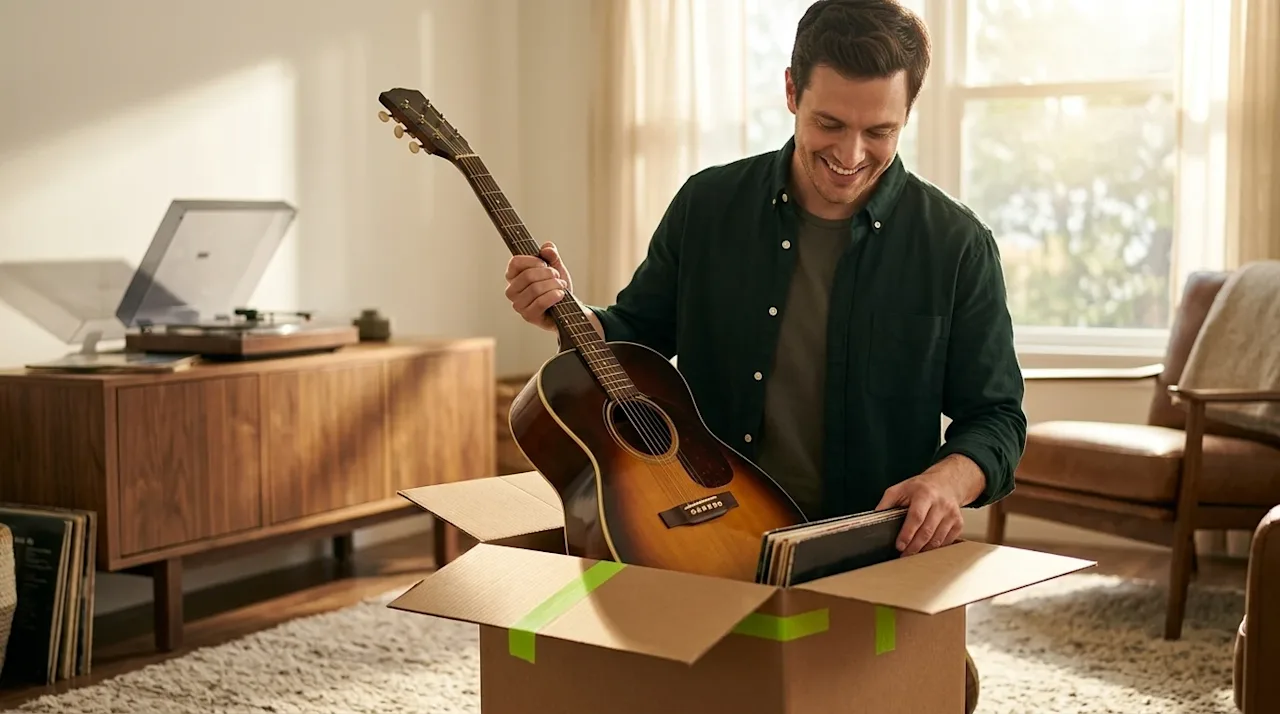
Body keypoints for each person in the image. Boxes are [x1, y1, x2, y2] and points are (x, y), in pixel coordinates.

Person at [504, 1, 1024, 711]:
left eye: (880, 131)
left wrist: (946, 483)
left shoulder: (957, 245)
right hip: (707, 537)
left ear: (908, 113)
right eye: (829, 124)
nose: (851, 155)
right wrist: (566, 311)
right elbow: (635, 339)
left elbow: (996, 417)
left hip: (862, 553)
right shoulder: (707, 205)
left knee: (936, 688)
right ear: (790, 91)